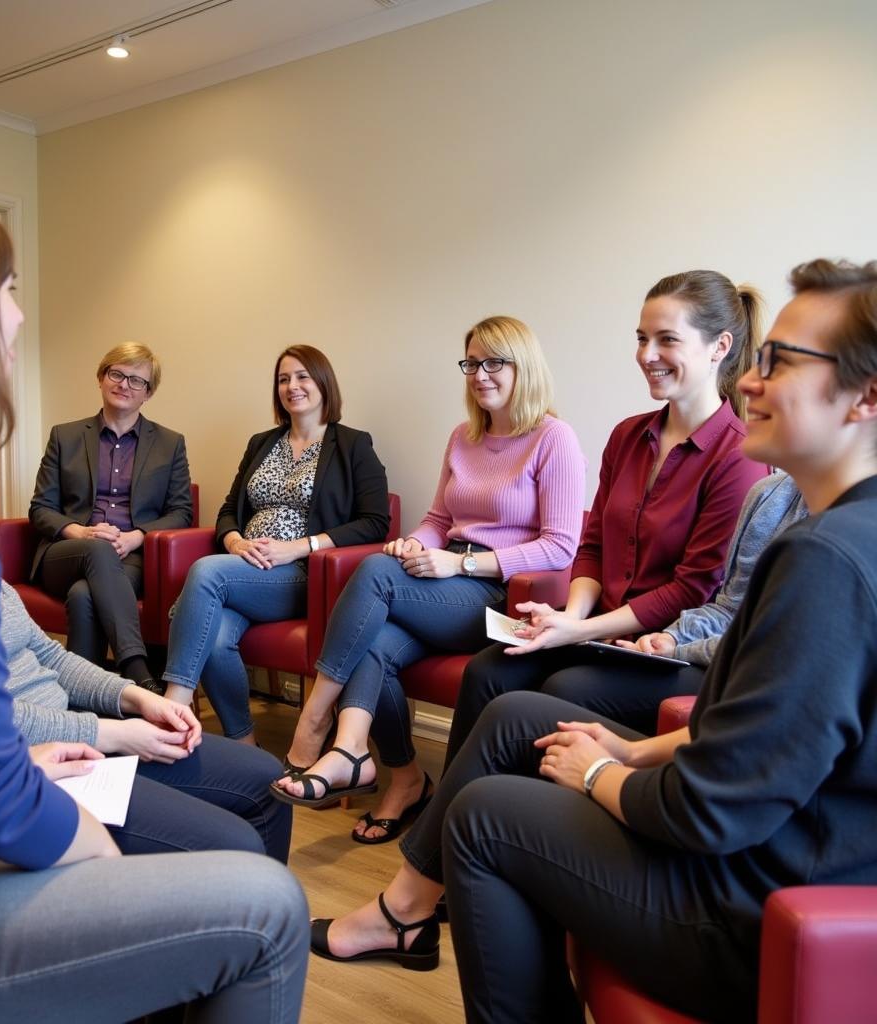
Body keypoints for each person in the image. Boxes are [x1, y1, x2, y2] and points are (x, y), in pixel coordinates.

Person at [307, 258, 877, 1024]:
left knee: (486, 814)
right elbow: (774, 737)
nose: (750, 382)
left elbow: (710, 810)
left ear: (866, 397)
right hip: (780, 848)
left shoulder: (825, 559)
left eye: (777, 363)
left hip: (760, 905)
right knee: (510, 710)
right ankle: (406, 905)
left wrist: (598, 773)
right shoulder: (829, 535)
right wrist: (635, 748)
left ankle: (396, 878)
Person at [0, 173, 307, 1023]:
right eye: (8, 289)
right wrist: (96, 852)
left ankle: (147, 677)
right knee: (267, 907)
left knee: (244, 800)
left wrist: (78, 729)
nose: (19, 317)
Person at [272, 316, 586, 843]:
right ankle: (400, 777)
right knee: (374, 644)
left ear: (523, 367)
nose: (480, 375)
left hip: (497, 592)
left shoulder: (553, 439)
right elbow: (440, 521)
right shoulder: (463, 438)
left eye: (493, 362)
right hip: (442, 583)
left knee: (374, 570)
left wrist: (461, 564)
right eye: (471, 364)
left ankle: (318, 722)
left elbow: (560, 545)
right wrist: (418, 543)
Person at [447, 270, 769, 764]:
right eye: (642, 339)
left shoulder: (740, 456)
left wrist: (580, 632)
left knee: (563, 687)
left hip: (667, 650)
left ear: (719, 346)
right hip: (600, 633)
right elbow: (592, 544)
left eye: (666, 339)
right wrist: (569, 616)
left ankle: (517, 827)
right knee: (488, 671)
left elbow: (694, 589)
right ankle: (459, 834)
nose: (647, 355)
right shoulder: (627, 436)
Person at [162, 345, 390, 745]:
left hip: (303, 575)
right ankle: (243, 744)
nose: (292, 386)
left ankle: (171, 709)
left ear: (323, 382)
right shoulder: (261, 442)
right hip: (242, 569)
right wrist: (233, 541)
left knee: (204, 573)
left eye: (302, 376)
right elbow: (230, 509)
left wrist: (301, 547)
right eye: (283, 379)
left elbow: (375, 522)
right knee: (213, 638)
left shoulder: (353, 444)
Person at [1, 581, 292, 861]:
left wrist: (138, 697)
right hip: (23, 764)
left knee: (266, 777)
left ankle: (281, 912)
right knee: (239, 843)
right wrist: (113, 733)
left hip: (79, 727)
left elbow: (52, 658)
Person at [540, 470, 807, 733]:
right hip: (704, 651)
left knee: (563, 689)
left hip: (749, 674)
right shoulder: (769, 492)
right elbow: (728, 609)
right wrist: (672, 637)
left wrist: (680, 649)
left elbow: (778, 646)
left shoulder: (838, 528)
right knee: (514, 673)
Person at [29, 342, 193, 687]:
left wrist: (137, 536)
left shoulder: (169, 442)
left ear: (148, 393)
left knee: (82, 595)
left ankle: (84, 697)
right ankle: (136, 669)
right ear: (101, 378)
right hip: (66, 553)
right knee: (97, 549)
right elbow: (41, 508)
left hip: (130, 556)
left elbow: (181, 512)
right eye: (116, 374)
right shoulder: (66, 436)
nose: (124, 384)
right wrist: (79, 532)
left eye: (137, 380)